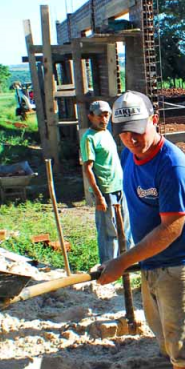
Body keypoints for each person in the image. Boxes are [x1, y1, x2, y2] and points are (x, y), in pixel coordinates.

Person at [96, 91, 185, 369]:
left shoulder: (171, 165)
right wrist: (127, 258)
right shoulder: (130, 155)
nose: (130, 140)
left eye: (137, 131)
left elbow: (172, 228)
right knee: (164, 331)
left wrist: (122, 261)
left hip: (178, 265)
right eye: (123, 132)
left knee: (182, 341)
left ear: (154, 121)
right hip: (150, 261)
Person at [80, 100, 132, 264]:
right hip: (106, 191)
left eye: (106, 115)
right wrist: (98, 195)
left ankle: (129, 263)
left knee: (126, 228)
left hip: (119, 187)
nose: (104, 119)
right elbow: (88, 168)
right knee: (109, 233)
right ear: (90, 116)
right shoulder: (89, 138)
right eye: (100, 116)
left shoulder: (106, 133)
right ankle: (109, 266)